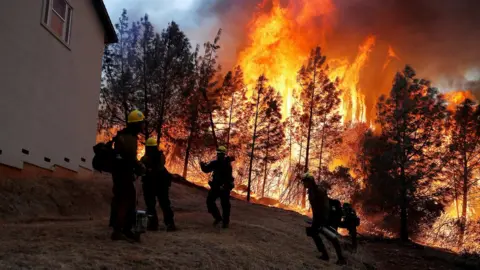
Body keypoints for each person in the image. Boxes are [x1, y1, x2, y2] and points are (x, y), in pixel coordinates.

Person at [110, 109, 146, 242]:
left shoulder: (124, 136)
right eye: (141, 123)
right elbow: (130, 157)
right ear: (136, 124)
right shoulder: (129, 138)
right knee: (126, 201)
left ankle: (122, 229)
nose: (143, 126)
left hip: (119, 174)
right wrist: (139, 167)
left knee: (122, 200)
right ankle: (119, 230)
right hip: (123, 174)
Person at [302, 172, 346, 265]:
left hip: (325, 218)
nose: (303, 184)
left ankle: (341, 259)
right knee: (313, 232)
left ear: (310, 182)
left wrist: (323, 220)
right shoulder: (311, 191)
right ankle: (325, 255)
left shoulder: (318, 191)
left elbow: (325, 206)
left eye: (305, 182)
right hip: (319, 218)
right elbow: (315, 207)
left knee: (332, 237)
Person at [140, 137, 176, 232]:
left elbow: (142, 168)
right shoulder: (160, 156)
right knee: (164, 204)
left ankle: (153, 225)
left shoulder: (145, 159)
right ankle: (170, 224)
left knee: (151, 205)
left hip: (151, 184)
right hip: (161, 184)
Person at [200, 146, 234, 228]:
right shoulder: (218, 163)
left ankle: (224, 222)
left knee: (225, 205)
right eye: (218, 153)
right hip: (218, 187)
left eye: (220, 154)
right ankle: (219, 219)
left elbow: (206, 169)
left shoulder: (224, 165)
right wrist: (203, 165)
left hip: (223, 187)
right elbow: (206, 169)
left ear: (223, 154)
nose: (219, 155)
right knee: (211, 202)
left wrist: (202, 165)